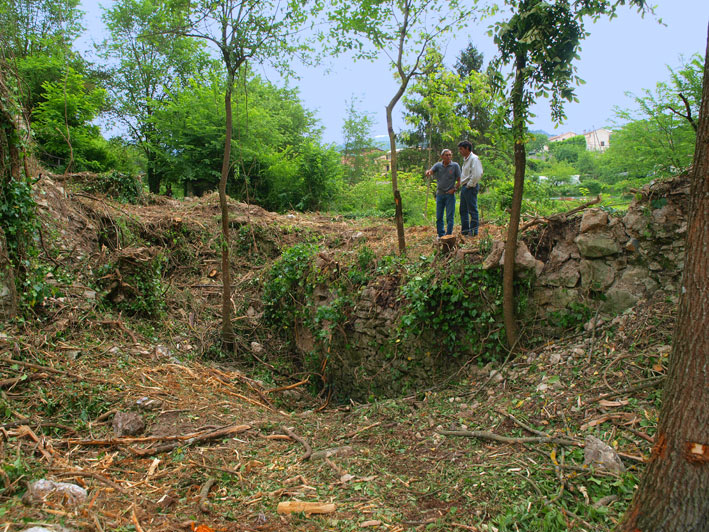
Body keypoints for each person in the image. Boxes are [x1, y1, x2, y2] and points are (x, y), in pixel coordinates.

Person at [426, 149, 461, 238]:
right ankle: (441, 235)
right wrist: (428, 172)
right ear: (442, 156)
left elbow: (459, 180)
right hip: (440, 194)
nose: (448, 157)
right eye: (446, 155)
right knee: (439, 216)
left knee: (450, 216)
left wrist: (455, 189)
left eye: (450, 155)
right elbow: (431, 171)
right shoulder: (438, 165)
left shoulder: (455, 166)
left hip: (450, 195)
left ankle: (448, 235)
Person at [457, 140, 484, 237]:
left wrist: (469, 184)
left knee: (472, 210)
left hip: (470, 187)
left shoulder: (474, 159)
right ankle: (465, 232)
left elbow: (477, 174)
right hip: (465, 187)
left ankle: (473, 232)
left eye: (461, 149)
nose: (460, 151)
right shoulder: (466, 159)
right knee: (463, 210)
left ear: (467, 148)